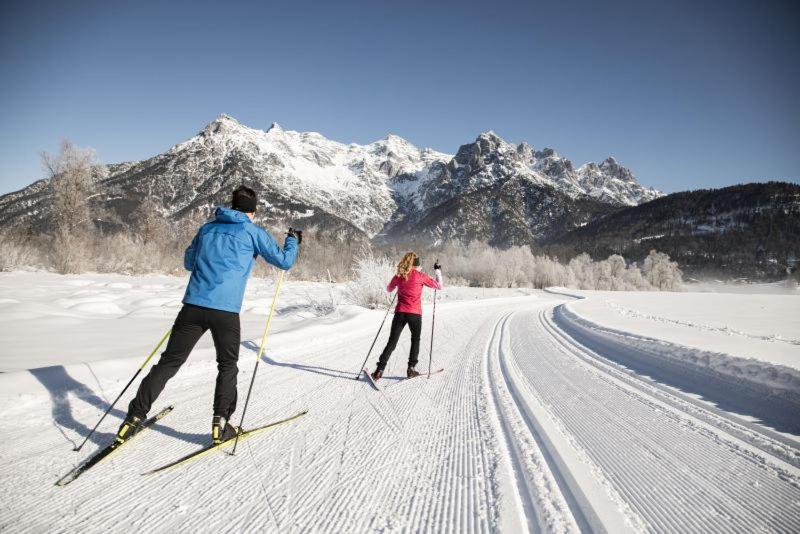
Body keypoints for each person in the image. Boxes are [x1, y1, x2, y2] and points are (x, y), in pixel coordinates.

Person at [116, 186, 301, 445]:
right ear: (252, 210)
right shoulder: (253, 231)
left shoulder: (207, 229)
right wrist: (293, 240)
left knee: (168, 363)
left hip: (193, 307)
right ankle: (221, 425)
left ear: (232, 205)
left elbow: (189, 263)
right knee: (227, 366)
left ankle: (133, 418)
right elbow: (284, 261)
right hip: (225, 312)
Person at [371, 252, 443, 381]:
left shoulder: (399, 275)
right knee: (415, 340)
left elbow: (388, 289)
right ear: (417, 265)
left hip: (400, 312)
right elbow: (439, 286)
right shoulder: (421, 276)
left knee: (392, 342)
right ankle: (411, 369)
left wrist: (398, 285)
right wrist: (437, 271)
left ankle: (379, 370)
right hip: (415, 314)